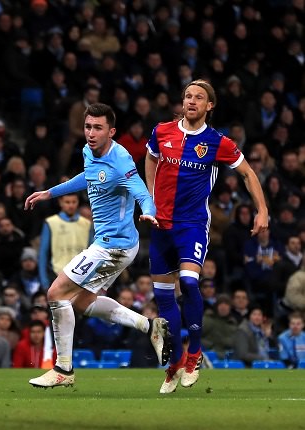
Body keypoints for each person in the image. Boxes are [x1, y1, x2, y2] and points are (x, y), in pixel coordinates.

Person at [24, 103, 168, 389]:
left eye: (98, 128)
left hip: (113, 246)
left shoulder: (121, 161)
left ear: (111, 132)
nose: (90, 133)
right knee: (82, 301)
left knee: (56, 292)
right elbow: (87, 177)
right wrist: (50, 192)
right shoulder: (88, 151)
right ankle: (150, 326)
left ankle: (63, 369)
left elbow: (140, 190)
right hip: (113, 244)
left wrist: (149, 210)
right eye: (88, 126)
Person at [144, 79, 268, 393]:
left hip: (192, 225)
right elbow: (150, 156)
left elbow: (248, 174)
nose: (192, 101)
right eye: (188, 96)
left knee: (188, 282)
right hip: (161, 226)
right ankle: (174, 365)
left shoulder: (218, 142)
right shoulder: (162, 131)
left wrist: (262, 210)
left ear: (209, 105)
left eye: (199, 97)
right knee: (163, 299)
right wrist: (149, 196)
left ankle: (195, 352)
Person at [37, 193, 92, 290]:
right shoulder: (51, 222)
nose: (71, 205)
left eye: (74, 202)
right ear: (60, 202)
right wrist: (44, 281)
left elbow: (92, 252)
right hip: (56, 274)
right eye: (67, 202)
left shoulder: (87, 224)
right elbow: (43, 254)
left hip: (81, 276)